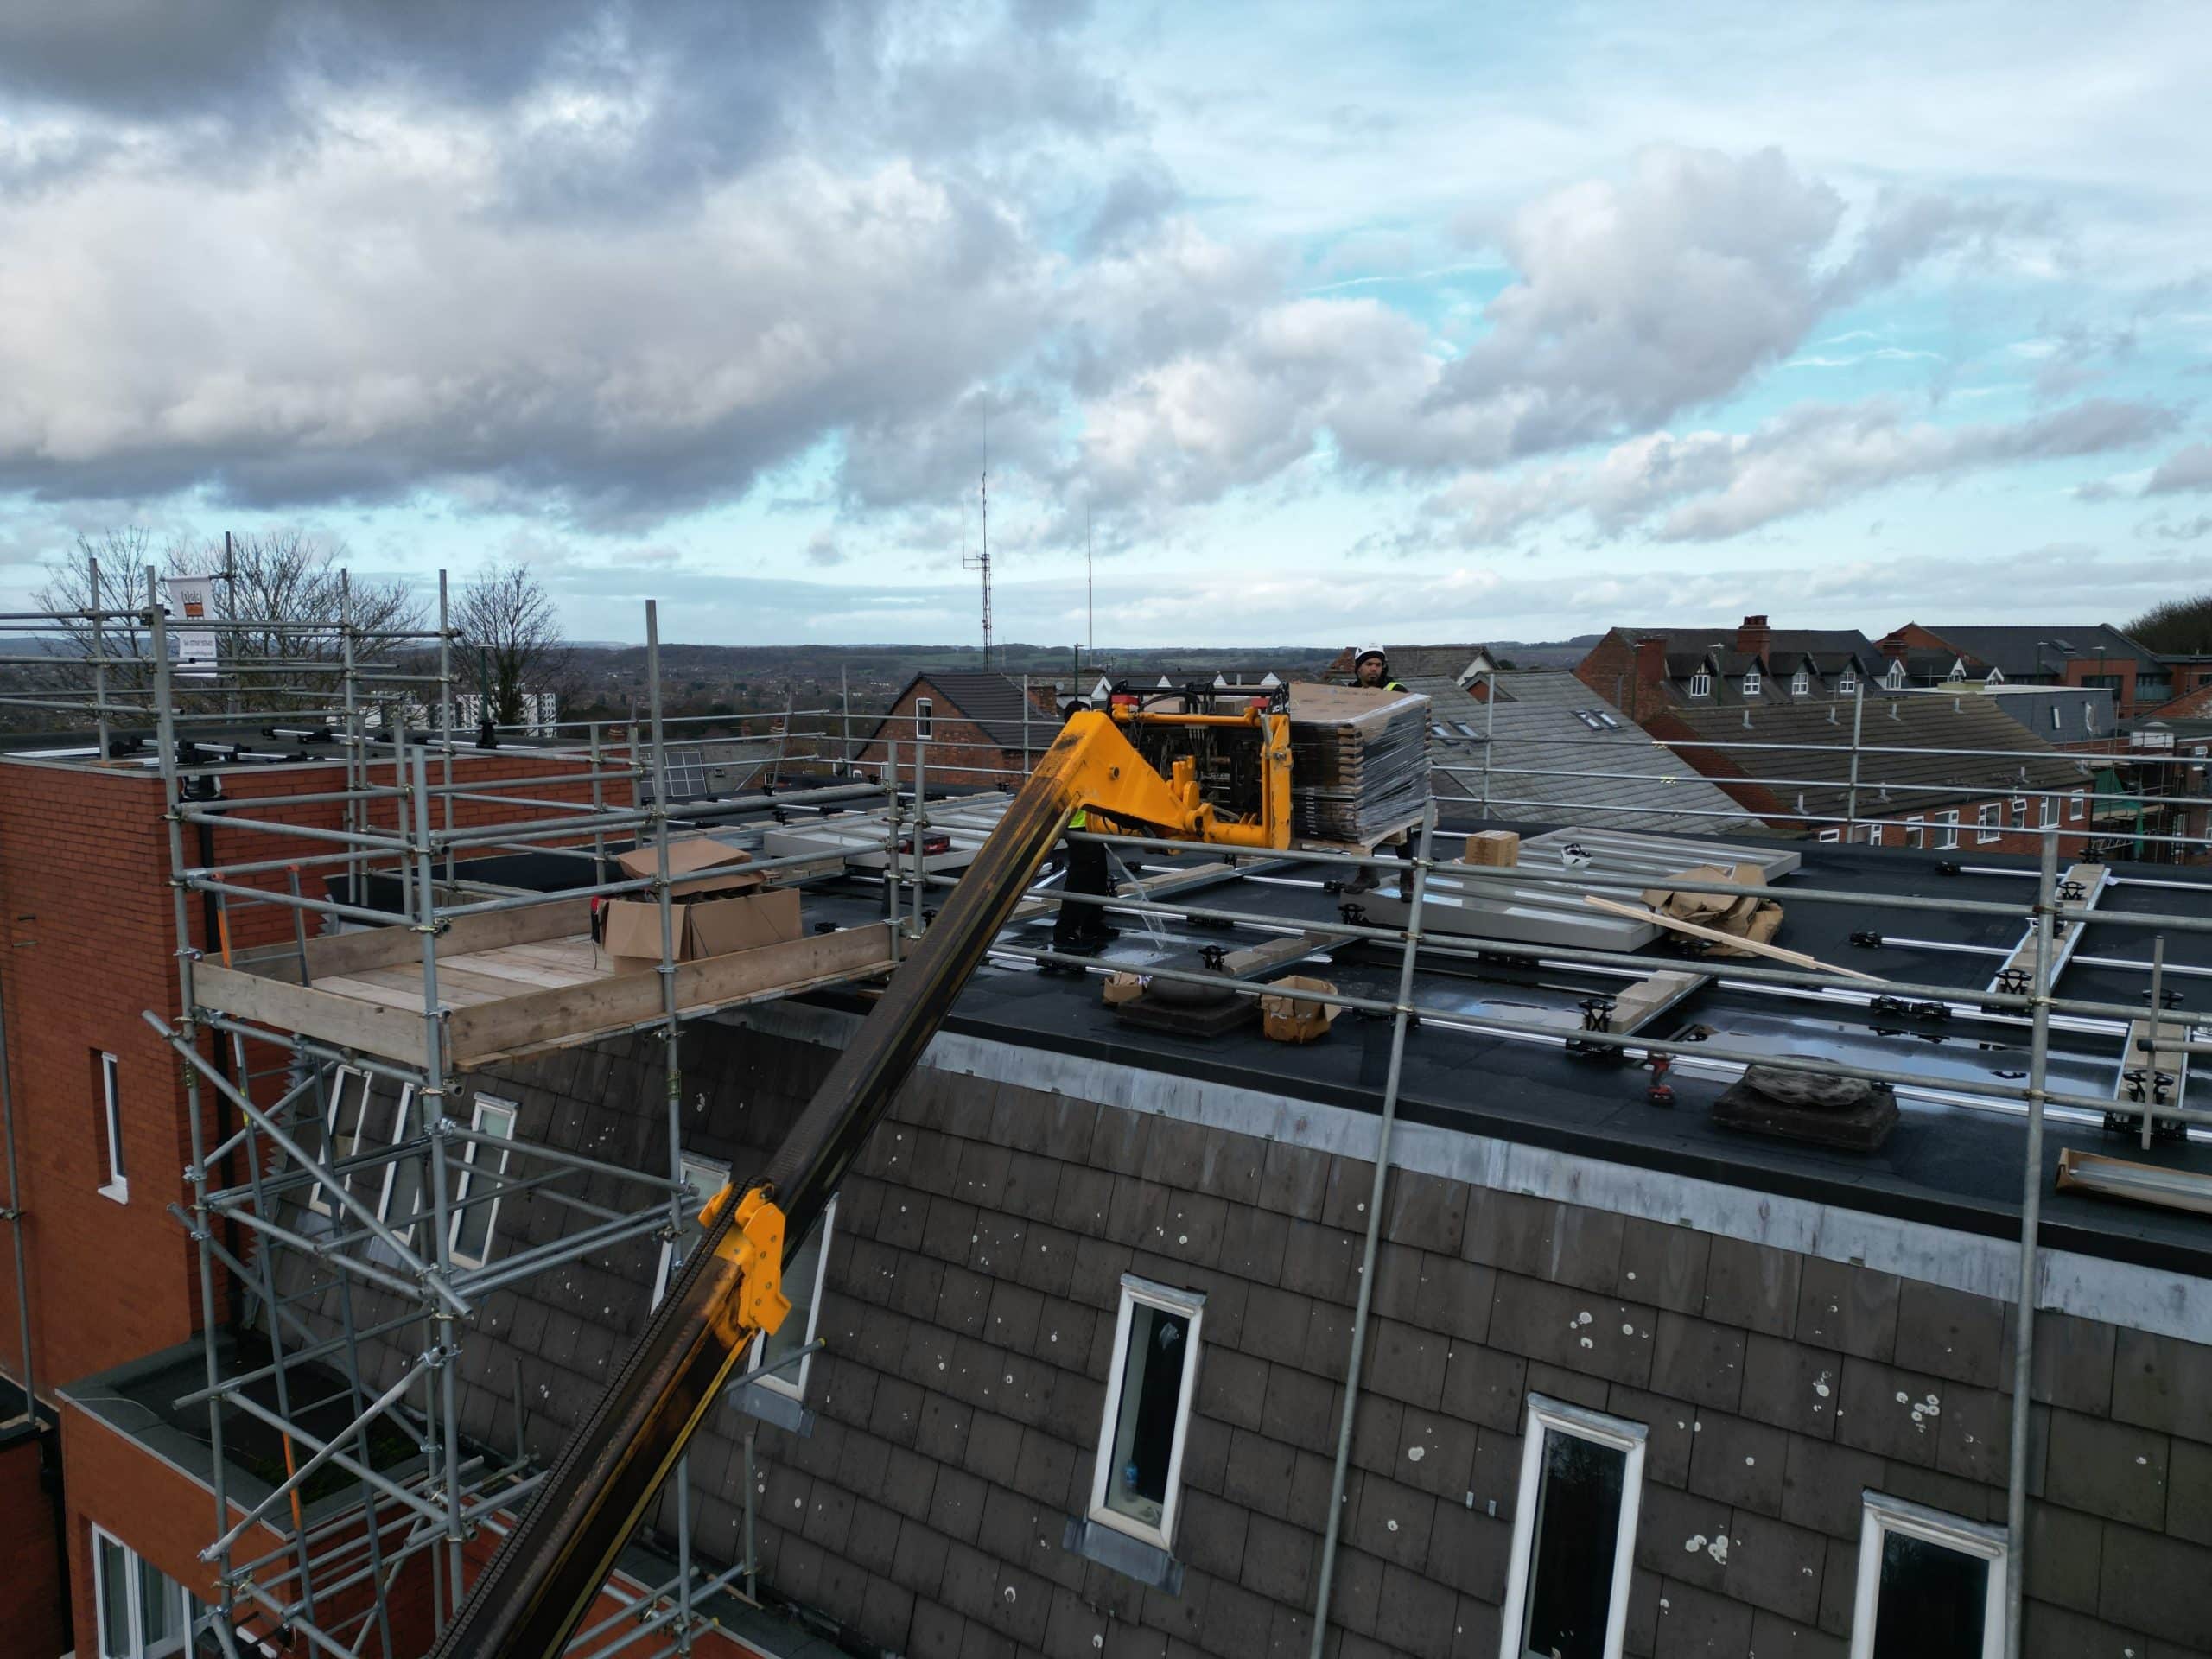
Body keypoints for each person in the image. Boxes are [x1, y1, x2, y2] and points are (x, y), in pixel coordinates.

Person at [1344, 648, 1415, 900]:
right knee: (1363, 823)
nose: (1374, 669)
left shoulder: (1395, 689)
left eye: (1377, 664)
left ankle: (1408, 878)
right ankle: (1367, 873)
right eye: (1369, 664)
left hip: (1393, 768)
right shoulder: (1348, 691)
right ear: (1358, 667)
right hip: (1362, 765)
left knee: (1400, 824)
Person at [1052, 700, 1119, 956]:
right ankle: (1065, 931)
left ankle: (1092, 923)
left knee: (1099, 872)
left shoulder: (1086, 744)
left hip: (1093, 822)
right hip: (1078, 825)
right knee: (1080, 878)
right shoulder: (1068, 747)